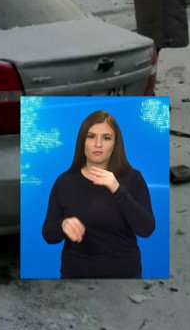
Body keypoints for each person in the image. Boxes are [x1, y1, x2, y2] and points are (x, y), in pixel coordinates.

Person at [42, 111, 155, 278]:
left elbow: (146, 229)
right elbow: (48, 235)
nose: (98, 144)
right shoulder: (64, 182)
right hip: (75, 274)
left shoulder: (133, 179)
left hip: (124, 274)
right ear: (82, 142)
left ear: (115, 143)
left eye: (106, 138)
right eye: (91, 136)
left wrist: (117, 189)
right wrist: (63, 225)